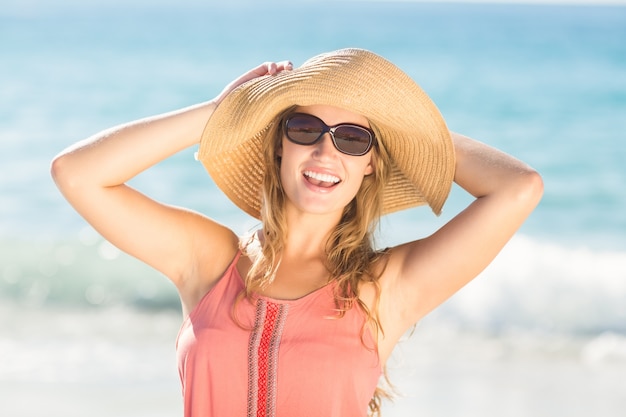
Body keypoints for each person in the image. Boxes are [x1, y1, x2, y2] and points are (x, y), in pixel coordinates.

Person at [51, 48, 543, 417]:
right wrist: (219, 111)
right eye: (306, 129)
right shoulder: (211, 260)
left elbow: (519, 188)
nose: (326, 154)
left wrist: (413, 131)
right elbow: (77, 173)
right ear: (279, 146)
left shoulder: (384, 288)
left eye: (353, 139)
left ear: (371, 163)